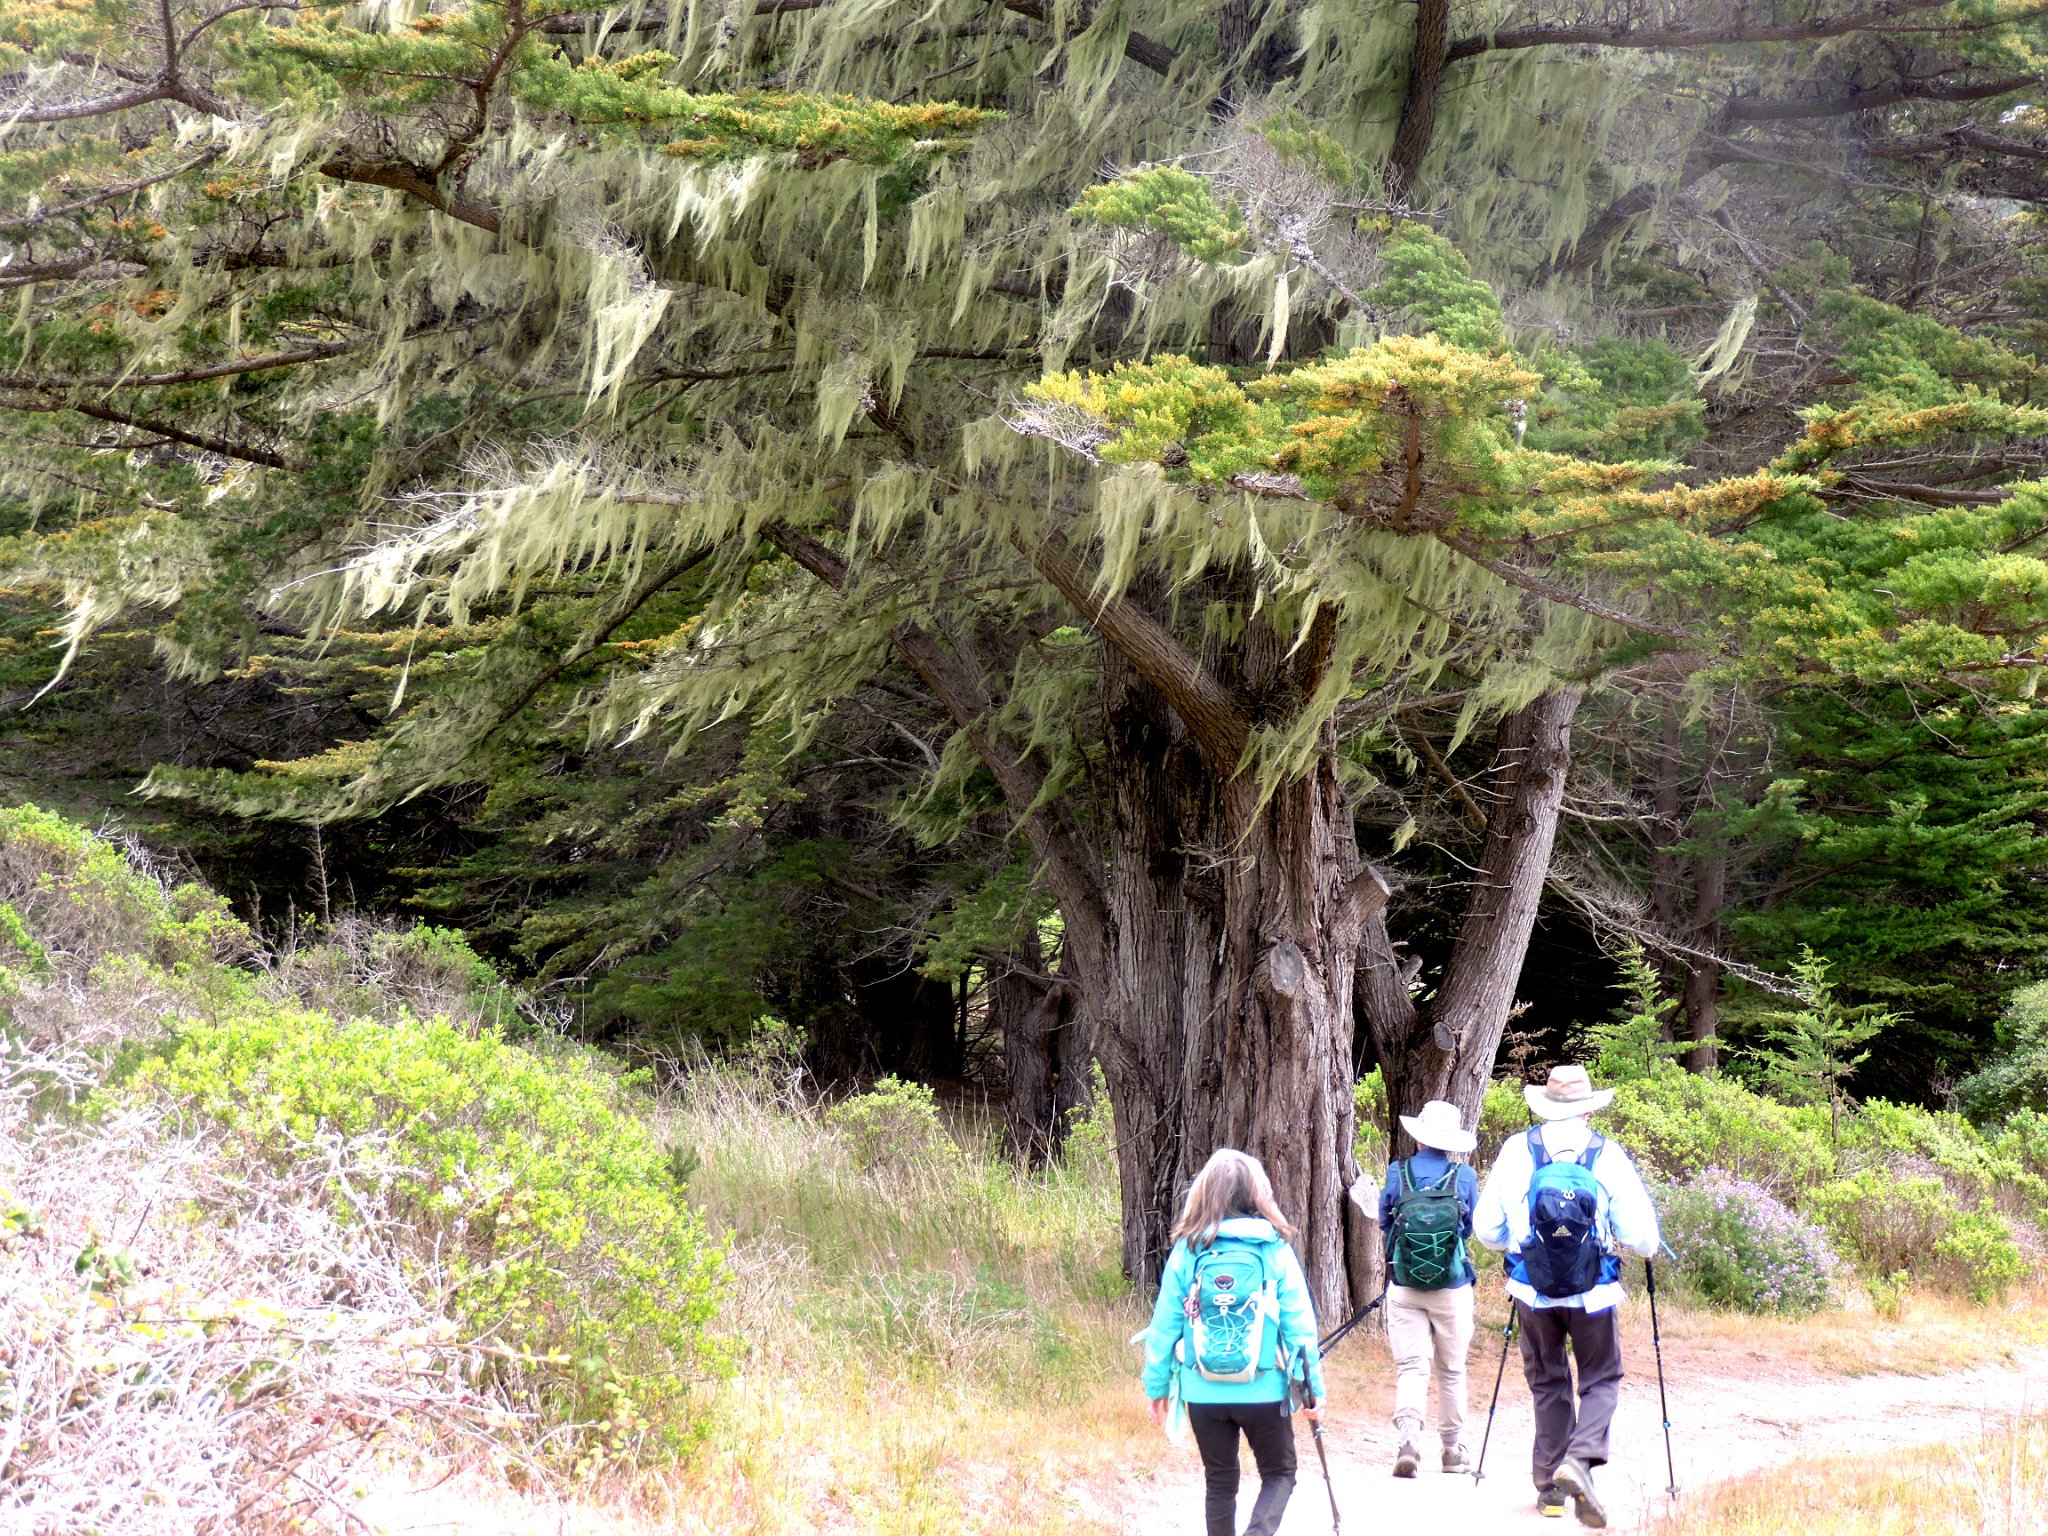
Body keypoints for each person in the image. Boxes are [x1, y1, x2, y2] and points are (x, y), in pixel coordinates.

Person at [1475, 1065, 1661, 1529]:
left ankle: (1551, 1490)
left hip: (1531, 1288)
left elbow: (1486, 1230)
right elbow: (1639, 1235)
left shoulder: (1515, 1150)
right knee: (1601, 1377)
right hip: (1594, 1290)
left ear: (1545, 1105)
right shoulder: (1607, 1154)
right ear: (1587, 1109)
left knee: (1547, 1379)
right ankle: (1580, 1460)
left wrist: (1521, 1242)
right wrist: (1648, 1248)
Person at [1139, 1148, 1326, 1536]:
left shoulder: (1188, 1250)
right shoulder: (1274, 1249)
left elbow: (1164, 1325)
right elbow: (1300, 1327)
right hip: (1264, 1389)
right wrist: (1312, 1389)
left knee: (1220, 1482)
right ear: (1259, 1195)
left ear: (1203, 1193)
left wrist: (1156, 1386)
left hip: (1203, 1391)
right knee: (1280, 1473)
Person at [1377, 1098, 1480, 1478]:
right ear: (1451, 1142)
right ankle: (1452, 1451)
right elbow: (1468, 1229)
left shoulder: (1397, 1171)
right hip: (1452, 1287)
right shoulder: (1464, 1176)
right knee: (1451, 1370)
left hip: (1404, 1287)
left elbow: (1385, 1220)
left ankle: (1409, 1442)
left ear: (1419, 1137)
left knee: (1411, 1367)